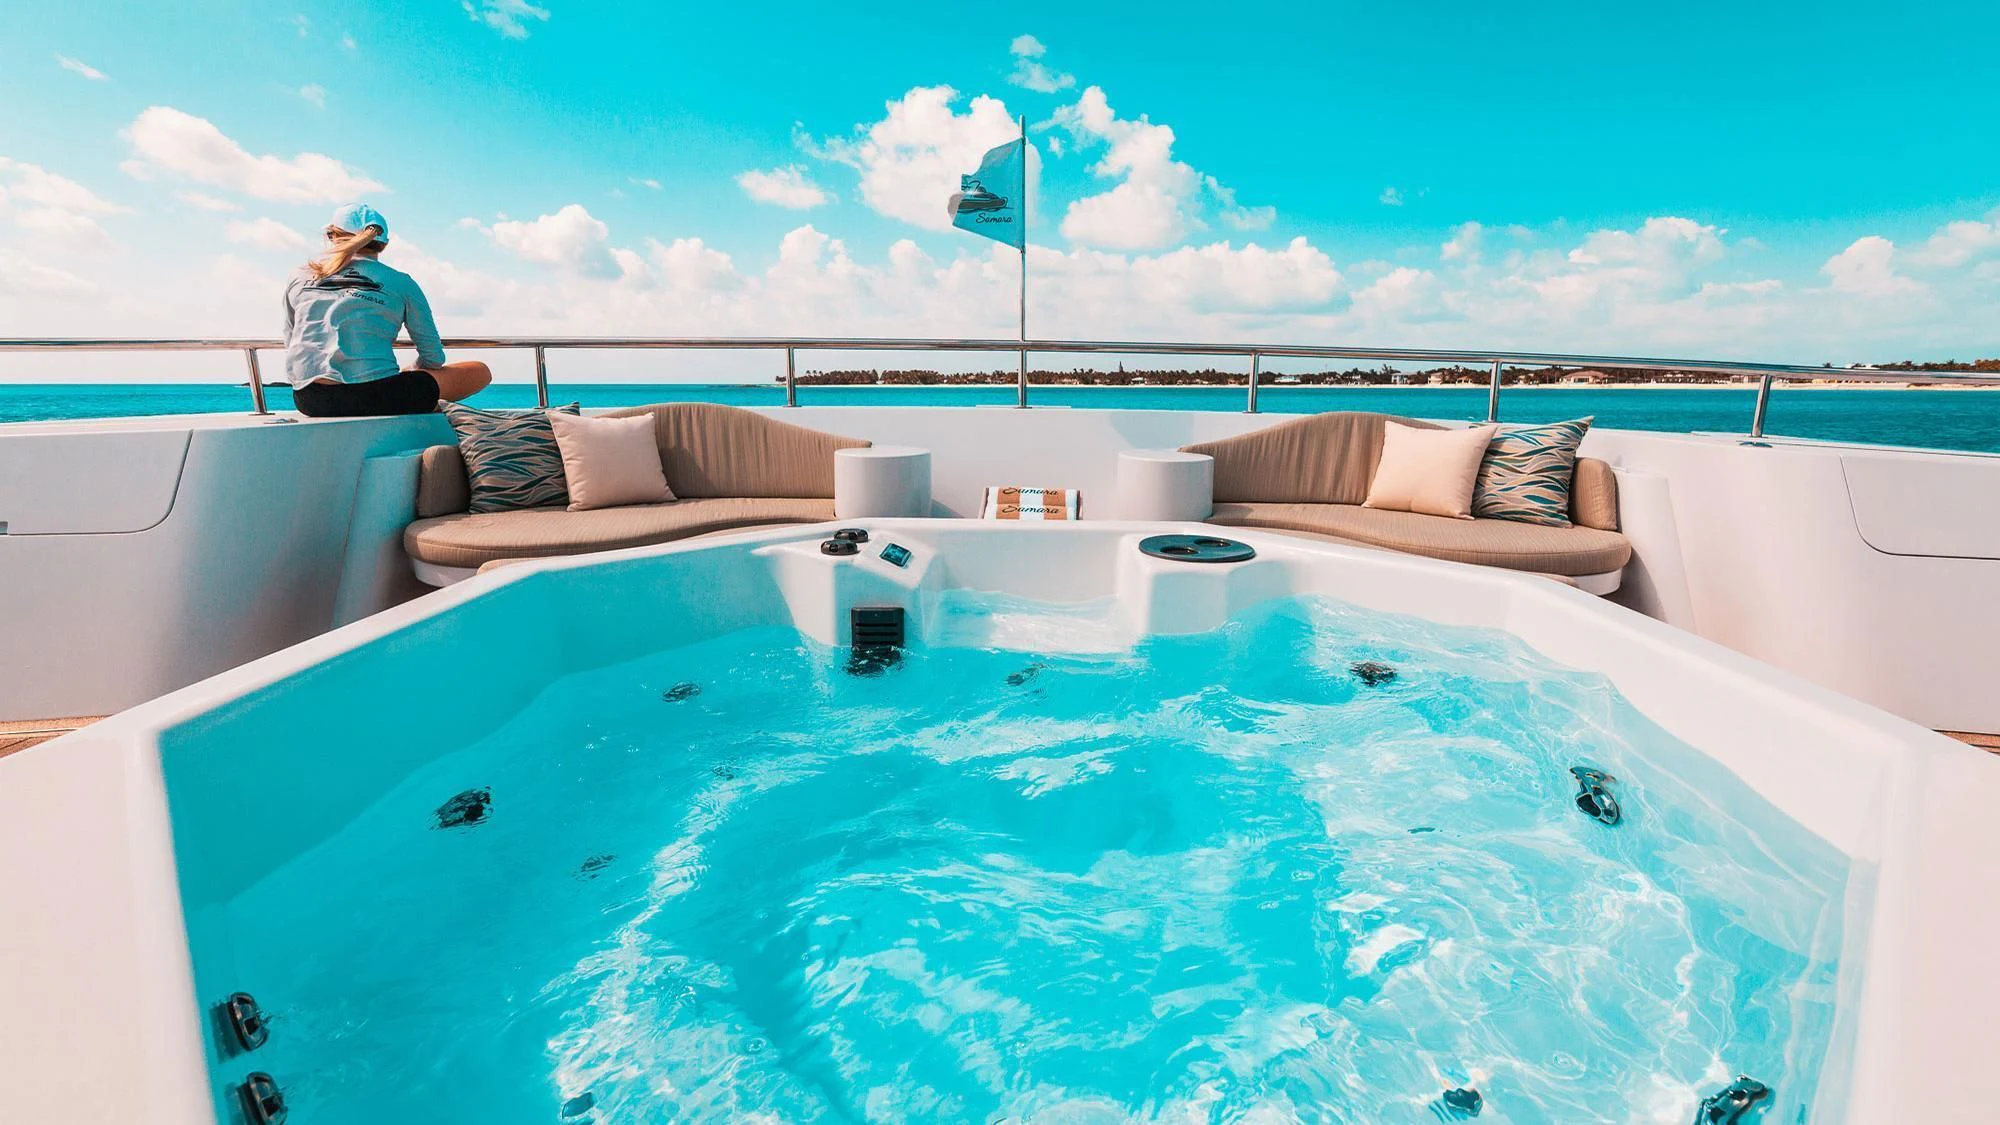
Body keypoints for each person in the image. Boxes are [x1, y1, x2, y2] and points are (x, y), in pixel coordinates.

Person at [283, 203, 491, 417]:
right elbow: (434, 358)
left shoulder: (300, 275)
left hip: (310, 399)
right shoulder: (401, 283)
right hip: (380, 395)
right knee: (480, 371)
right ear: (383, 245)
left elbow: (291, 341)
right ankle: (434, 416)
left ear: (331, 235)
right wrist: (412, 371)